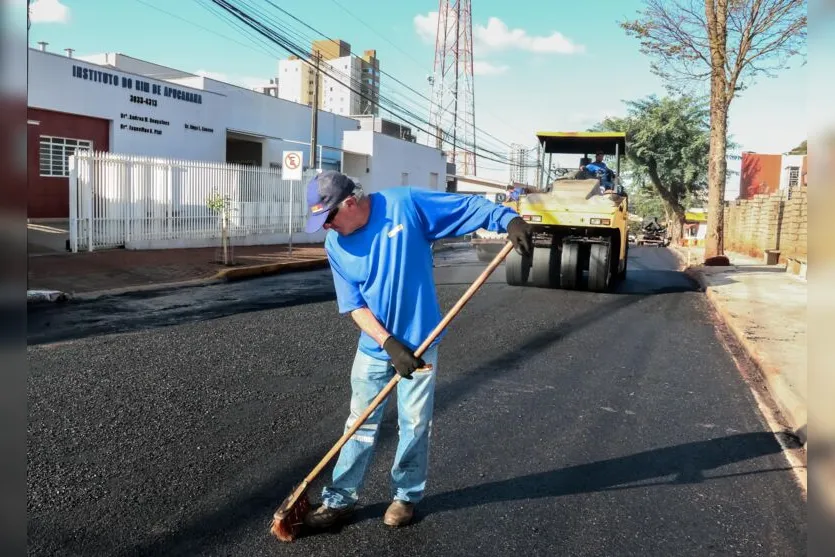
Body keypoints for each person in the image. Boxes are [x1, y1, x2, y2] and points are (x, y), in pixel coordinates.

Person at [301, 170, 532, 530]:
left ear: (349, 203)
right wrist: (389, 344)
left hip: (422, 344)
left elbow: (467, 206)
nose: (326, 227)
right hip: (376, 348)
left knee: (414, 423)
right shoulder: (335, 246)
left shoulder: (404, 205)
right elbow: (354, 305)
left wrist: (509, 219)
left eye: (328, 218)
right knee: (359, 423)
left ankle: (405, 497)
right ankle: (340, 500)